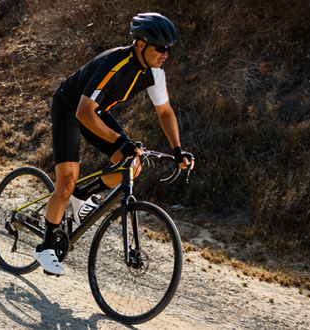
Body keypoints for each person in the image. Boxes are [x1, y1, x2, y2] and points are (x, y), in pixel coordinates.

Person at [34, 13, 195, 275]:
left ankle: (82, 194)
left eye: (169, 49)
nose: (166, 54)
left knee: (132, 164)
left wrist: (177, 149)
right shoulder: (115, 64)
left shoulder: (154, 73)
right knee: (66, 182)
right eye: (161, 48)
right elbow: (83, 112)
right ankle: (45, 248)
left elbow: (165, 112)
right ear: (141, 44)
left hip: (94, 111)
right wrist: (121, 139)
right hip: (69, 108)